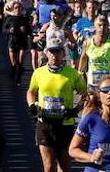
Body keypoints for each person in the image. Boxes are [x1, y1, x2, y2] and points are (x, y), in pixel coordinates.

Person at [26, 42, 86, 172]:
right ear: (46, 53)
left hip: (65, 125)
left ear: (63, 54)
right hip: (45, 124)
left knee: (64, 168)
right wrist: (32, 105)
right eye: (52, 52)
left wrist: (75, 110)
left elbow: (86, 94)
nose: (54, 56)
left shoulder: (72, 74)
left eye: (58, 52)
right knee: (48, 167)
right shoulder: (38, 73)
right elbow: (31, 91)